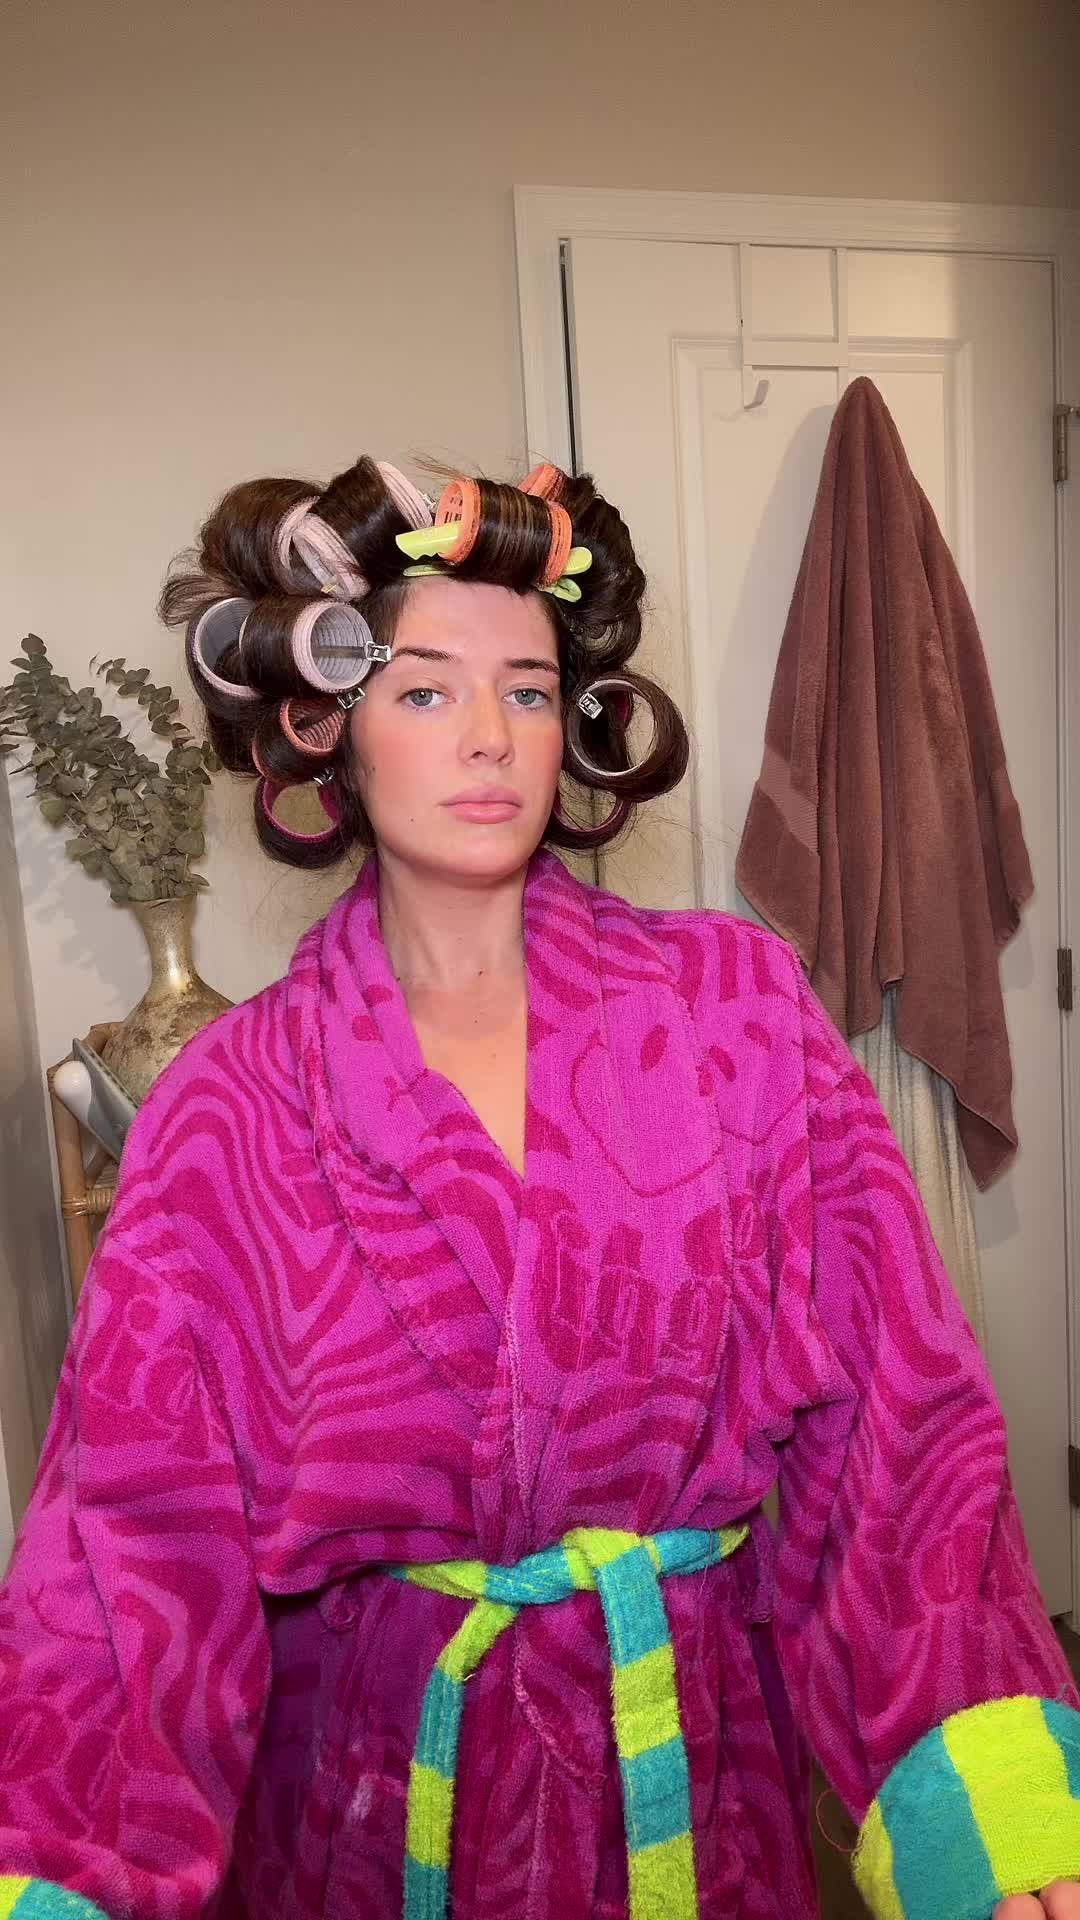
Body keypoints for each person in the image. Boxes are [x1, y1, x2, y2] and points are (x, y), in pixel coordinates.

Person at [1, 456, 1079, 1920]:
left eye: (527, 689)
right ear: (325, 729)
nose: (491, 738)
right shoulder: (228, 1109)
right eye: (426, 691)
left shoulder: (736, 1012)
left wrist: (979, 1785)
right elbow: (130, 1547)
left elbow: (898, 1417)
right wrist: (65, 1869)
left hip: (696, 1782)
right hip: (380, 1809)